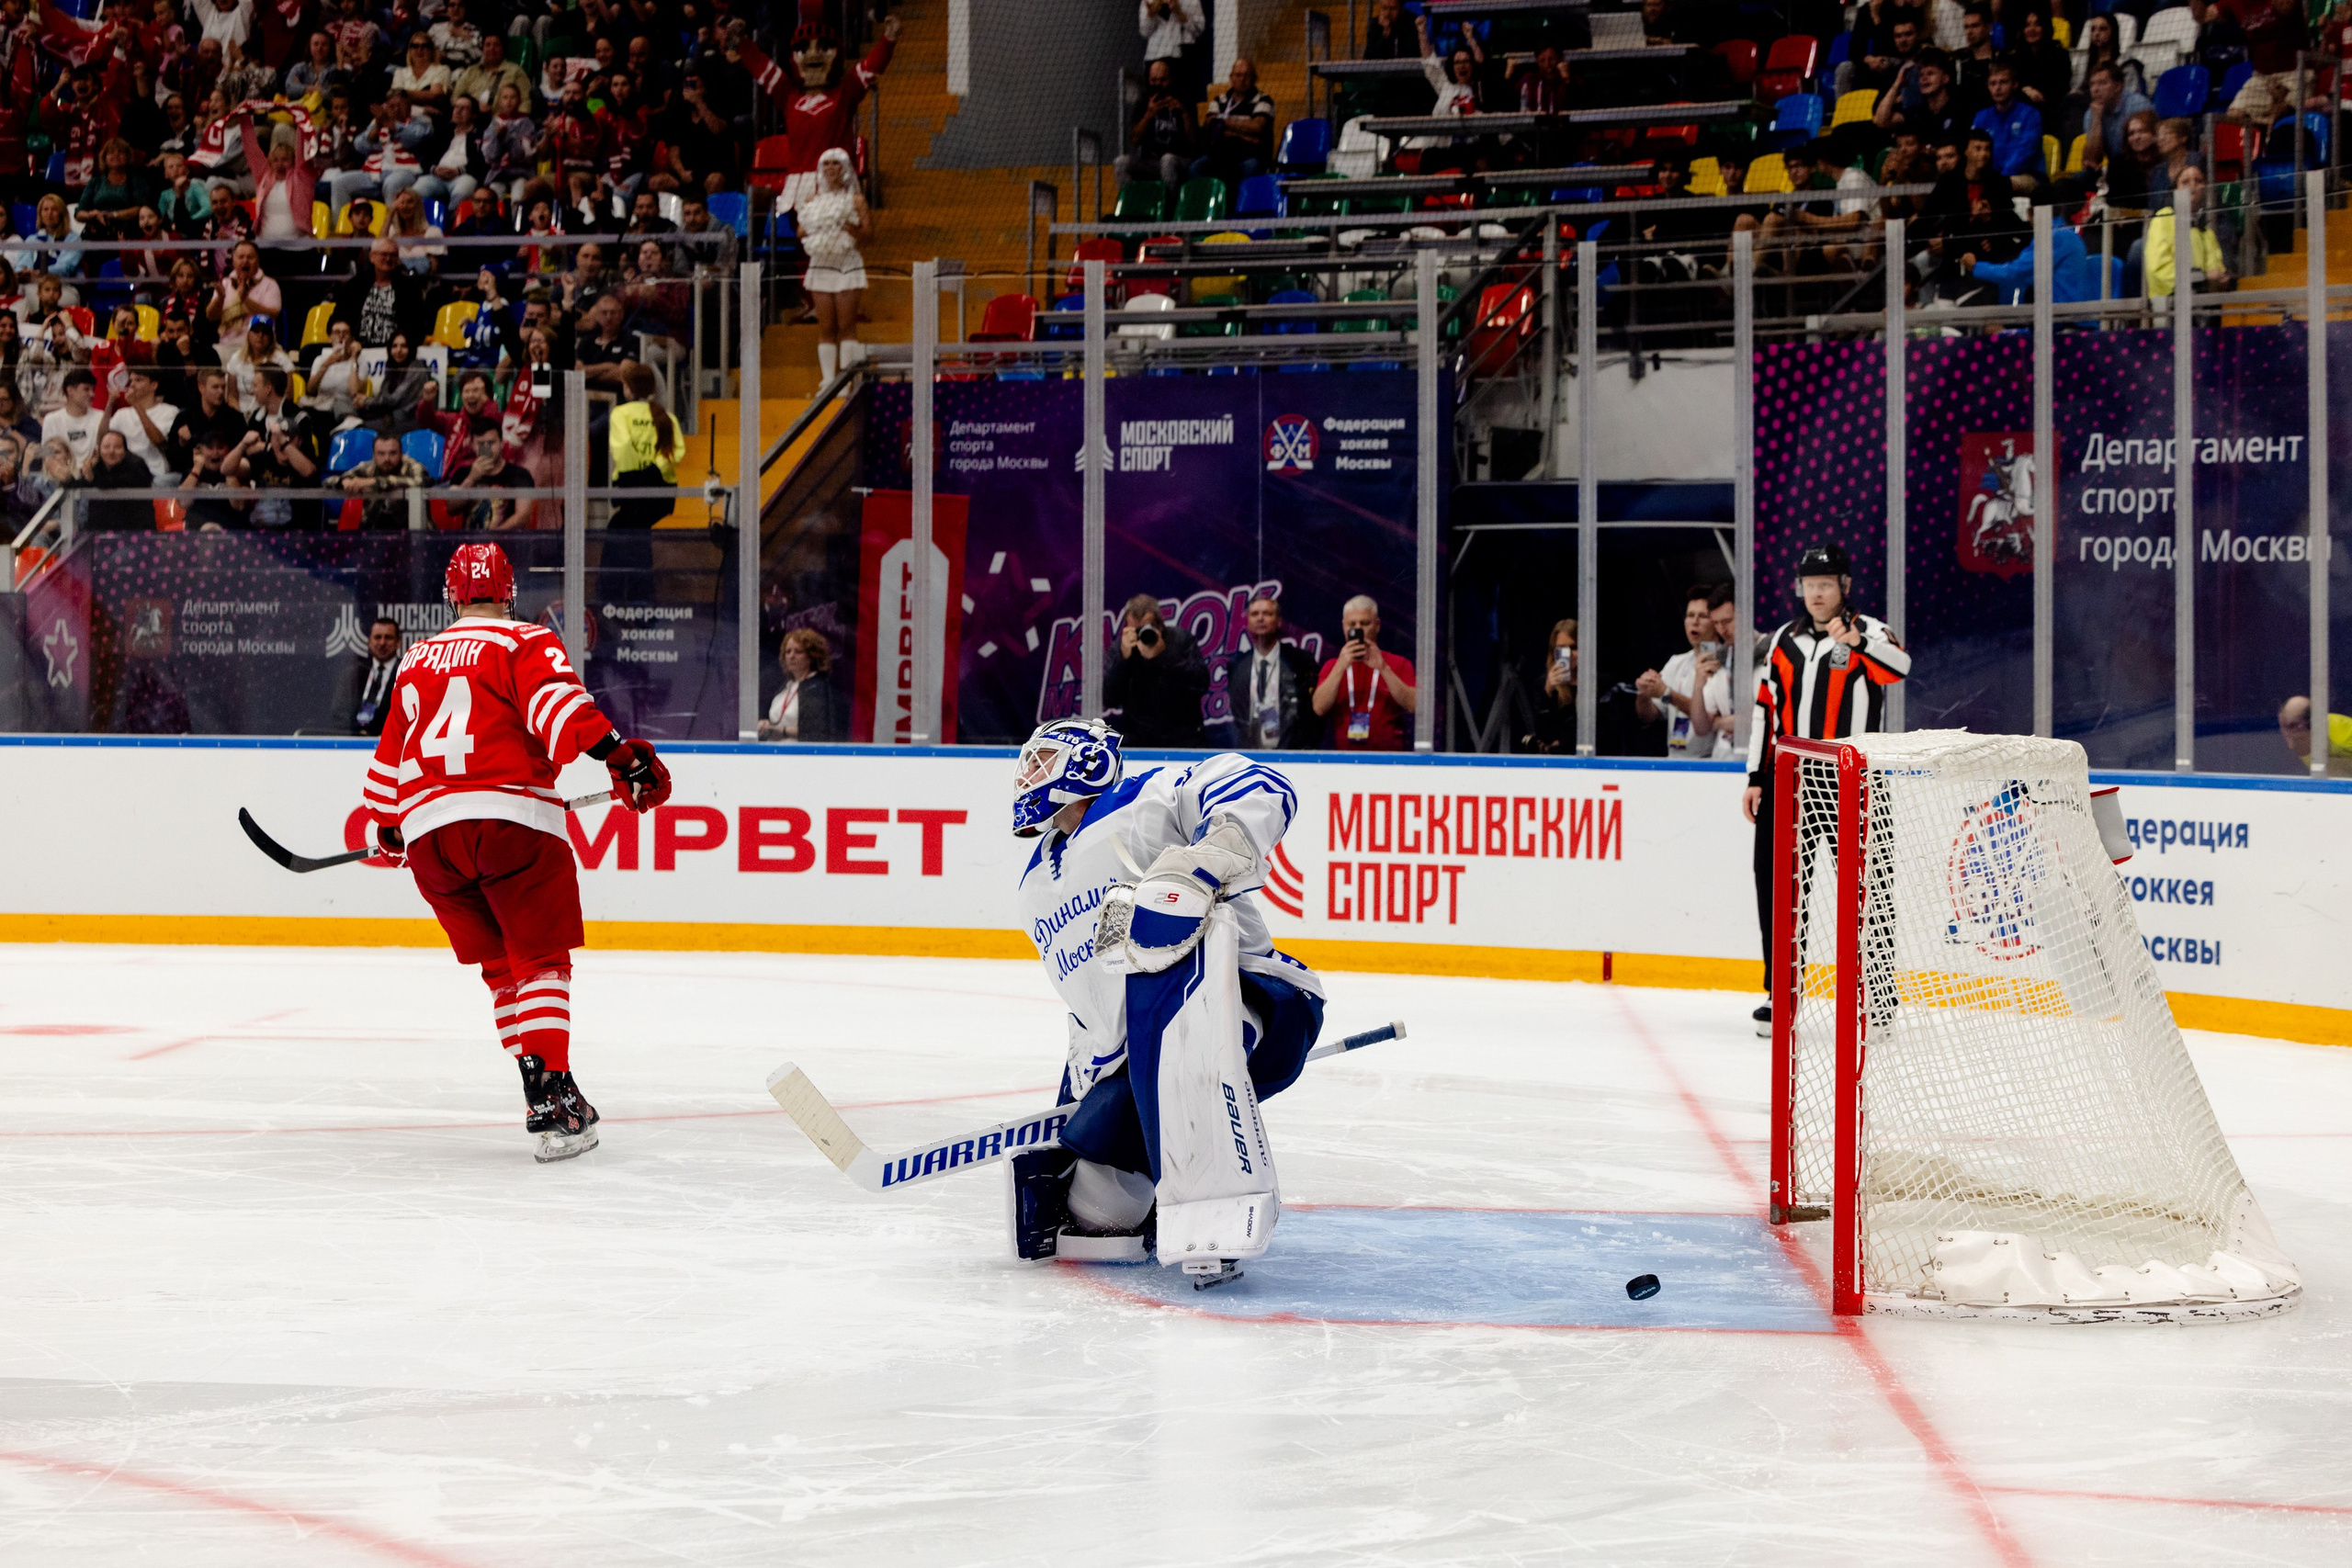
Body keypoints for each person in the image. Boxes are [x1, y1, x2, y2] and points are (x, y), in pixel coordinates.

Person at [359, 540, 673, 1162]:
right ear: (508, 591)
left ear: (452, 595)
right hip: (511, 824)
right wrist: (619, 756)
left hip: (429, 837)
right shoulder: (523, 641)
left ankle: (542, 1084)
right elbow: (558, 712)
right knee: (540, 961)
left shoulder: (417, 656)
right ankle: (552, 1098)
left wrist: (390, 823)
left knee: (502, 969)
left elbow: (390, 757)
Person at [1005, 717, 1326, 1286]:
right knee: (1100, 1217)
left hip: (1253, 1002)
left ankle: (1218, 1217)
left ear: (1088, 761)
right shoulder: (1033, 886)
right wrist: (1079, 1106)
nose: (1030, 772)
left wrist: (1216, 851)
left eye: (1046, 757)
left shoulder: (1146, 798)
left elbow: (1259, 783)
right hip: (1137, 1060)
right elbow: (1091, 1009)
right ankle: (1151, 1195)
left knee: (1159, 923)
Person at [1741, 544, 1910, 1035]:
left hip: (1852, 778)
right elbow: (1764, 711)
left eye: (1825, 585)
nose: (1815, 594)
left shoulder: (1871, 633)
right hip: (1787, 779)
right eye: (1808, 585)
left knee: (1868, 890)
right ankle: (1781, 994)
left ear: (1845, 587)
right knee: (1778, 887)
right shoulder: (1782, 640)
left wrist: (1856, 642)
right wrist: (1755, 777)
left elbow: (1900, 670)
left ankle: (1877, 1000)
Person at [1635, 584, 1734, 760]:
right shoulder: (1677, 662)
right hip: (1675, 760)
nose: (1694, 622)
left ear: (1716, 622)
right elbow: (1649, 715)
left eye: (1702, 616)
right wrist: (1644, 692)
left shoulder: (1727, 661)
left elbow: (1710, 718)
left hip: (1712, 761)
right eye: (1690, 615)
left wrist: (1668, 694)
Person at [798, 147, 868, 385]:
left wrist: (851, 228)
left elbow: (868, 232)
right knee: (826, 326)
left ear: (845, 168)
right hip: (821, 264)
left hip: (847, 263)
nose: (830, 168)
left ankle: (846, 382)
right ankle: (829, 381)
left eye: (835, 163)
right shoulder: (812, 201)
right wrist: (819, 226)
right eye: (826, 163)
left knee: (847, 325)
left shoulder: (856, 200)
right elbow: (800, 231)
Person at [1312, 594, 1416, 750]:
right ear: (1343, 627)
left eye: (1365, 623)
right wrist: (1341, 666)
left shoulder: (1398, 663)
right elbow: (1319, 708)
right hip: (1346, 760)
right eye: (1352, 624)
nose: (1358, 629)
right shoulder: (1332, 666)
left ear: (1377, 625)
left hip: (1390, 761)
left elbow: (1413, 705)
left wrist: (1383, 668)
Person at [1105, 592, 1209, 746]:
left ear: (1160, 625)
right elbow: (1110, 699)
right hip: (1138, 739)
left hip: (1183, 738)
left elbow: (1201, 684)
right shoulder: (1122, 647)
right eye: (1135, 630)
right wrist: (1123, 660)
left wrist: (1164, 656)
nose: (1141, 635)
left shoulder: (1181, 640)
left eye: (1145, 629)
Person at [1222, 593, 1319, 750]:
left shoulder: (1299, 660)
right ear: (1247, 623)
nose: (1260, 619)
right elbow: (1238, 712)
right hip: (1251, 751)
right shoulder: (1237, 665)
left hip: (1292, 752)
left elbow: (1312, 715)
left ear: (1279, 621)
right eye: (1254, 614)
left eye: (1267, 613)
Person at [1114, 56, 1198, 192]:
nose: (1158, 84)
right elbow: (1134, 140)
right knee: (1121, 162)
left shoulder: (1184, 100)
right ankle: (1130, 206)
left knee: (1167, 160)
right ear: (1148, 81)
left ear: (1170, 79)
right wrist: (1148, 115)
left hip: (1179, 160)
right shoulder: (1143, 102)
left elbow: (1194, 140)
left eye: (1162, 80)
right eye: (1154, 80)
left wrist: (1183, 113)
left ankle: (1169, 209)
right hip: (1151, 161)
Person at [1193, 56, 1275, 186]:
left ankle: (1242, 205)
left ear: (1254, 78)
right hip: (1221, 154)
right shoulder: (1219, 100)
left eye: (1246, 75)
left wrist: (1224, 123)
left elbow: (1257, 127)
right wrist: (1246, 135)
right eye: (1238, 75)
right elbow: (1211, 125)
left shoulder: (1264, 100)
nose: (1242, 79)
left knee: (1251, 167)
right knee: (1196, 168)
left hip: (1250, 155)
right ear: (1231, 78)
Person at [757, 627, 837, 742]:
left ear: (811, 656)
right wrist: (765, 724)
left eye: (798, 651)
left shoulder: (817, 688)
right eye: (788, 652)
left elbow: (816, 732)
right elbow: (777, 722)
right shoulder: (785, 687)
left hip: (800, 756)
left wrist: (782, 731)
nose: (791, 656)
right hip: (774, 754)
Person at [330, 615, 402, 736]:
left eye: (388, 637)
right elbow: (339, 713)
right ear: (369, 641)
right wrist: (357, 733)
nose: (382, 642)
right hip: (355, 745)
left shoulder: (406, 672)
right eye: (377, 637)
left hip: (392, 744)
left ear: (398, 642)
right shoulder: (353, 674)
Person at [340, 430, 428, 529]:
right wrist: (344, 481)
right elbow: (329, 481)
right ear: (374, 455)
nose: (387, 459)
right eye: (381, 454)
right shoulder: (368, 467)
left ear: (401, 453)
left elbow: (419, 482)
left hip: (413, 532)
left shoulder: (413, 466)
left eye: (393, 453)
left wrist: (375, 482)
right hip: (373, 533)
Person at [447, 424, 530, 529]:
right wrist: (471, 479)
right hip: (471, 543)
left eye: (491, 443)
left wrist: (493, 537)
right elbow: (451, 509)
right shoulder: (462, 473)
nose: (486, 448)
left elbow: (522, 516)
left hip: (506, 542)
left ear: (501, 443)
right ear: (472, 446)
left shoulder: (519, 474)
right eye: (481, 444)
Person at [77, 426, 155, 530]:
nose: (111, 452)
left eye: (117, 447)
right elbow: (80, 483)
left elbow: (113, 484)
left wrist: (92, 478)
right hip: (99, 531)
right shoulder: (96, 466)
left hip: (135, 530)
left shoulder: (136, 465)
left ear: (125, 449)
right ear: (99, 450)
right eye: (106, 447)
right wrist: (66, 477)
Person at [40, 367, 103, 468]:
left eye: (93, 389)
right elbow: (47, 456)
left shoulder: (100, 417)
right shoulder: (51, 420)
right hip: (62, 474)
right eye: (86, 389)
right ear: (70, 391)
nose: (92, 394)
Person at [2278, 695, 2352, 775]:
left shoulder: (2342, 738)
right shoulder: (2302, 739)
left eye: (2289, 726)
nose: (2285, 733)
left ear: (2301, 726)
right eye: (2282, 724)